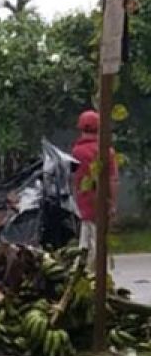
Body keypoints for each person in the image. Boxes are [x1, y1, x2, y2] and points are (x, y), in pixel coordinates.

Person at [71, 110, 119, 267]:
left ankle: (83, 272)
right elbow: (113, 179)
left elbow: (73, 179)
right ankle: (95, 276)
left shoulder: (76, 152)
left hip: (83, 201)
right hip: (101, 201)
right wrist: (112, 203)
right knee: (99, 243)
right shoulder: (106, 152)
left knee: (85, 239)